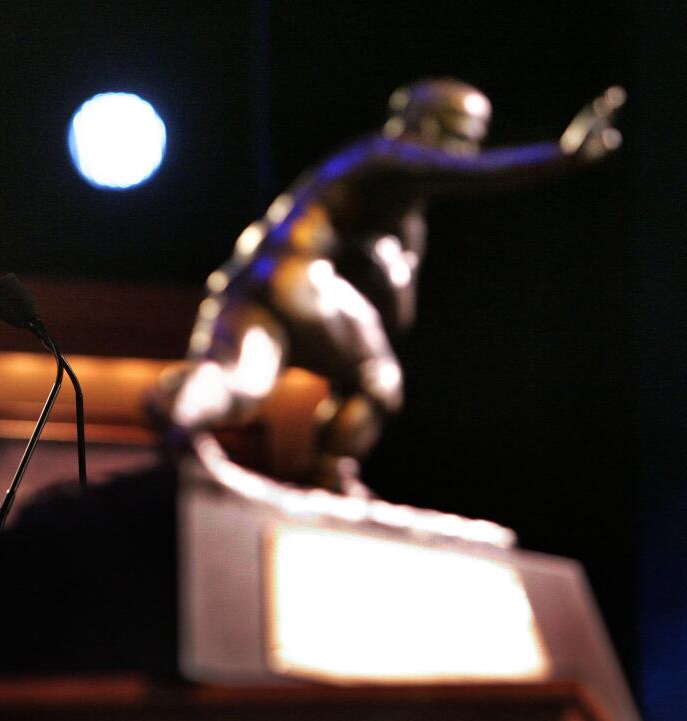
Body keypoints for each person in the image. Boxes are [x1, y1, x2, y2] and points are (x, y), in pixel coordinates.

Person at [152, 78, 624, 496]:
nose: (464, 154)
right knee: (378, 379)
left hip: (250, 278)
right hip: (297, 275)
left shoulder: (403, 206)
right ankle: (329, 473)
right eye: (461, 140)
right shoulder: (382, 153)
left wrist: (391, 270)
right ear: (429, 127)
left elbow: (400, 316)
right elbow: (470, 176)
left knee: (244, 381)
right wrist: (563, 155)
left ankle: (180, 415)